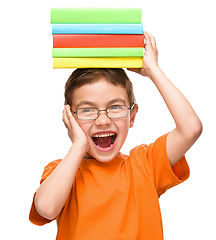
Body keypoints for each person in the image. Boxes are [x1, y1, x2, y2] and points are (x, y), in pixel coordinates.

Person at [29, 32, 202, 239]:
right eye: (87, 110)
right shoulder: (62, 172)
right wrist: (78, 146)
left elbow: (191, 128)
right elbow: (46, 208)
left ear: (132, 115)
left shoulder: (146, 165)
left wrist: (153, 70)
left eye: (115, 107)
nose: (103, 120)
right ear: (69, 119)